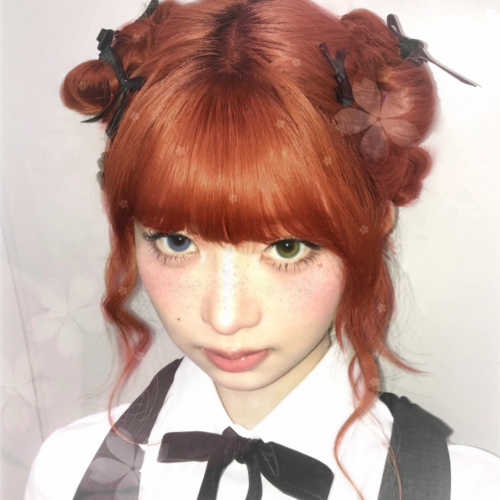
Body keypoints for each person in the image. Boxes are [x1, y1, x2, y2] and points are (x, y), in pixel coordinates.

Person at [24, 0, 500, 499]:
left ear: (374, 223)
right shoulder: (64, 473)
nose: (226, 318)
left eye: (287, 247)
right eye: (177, 241)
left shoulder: (473, 491)